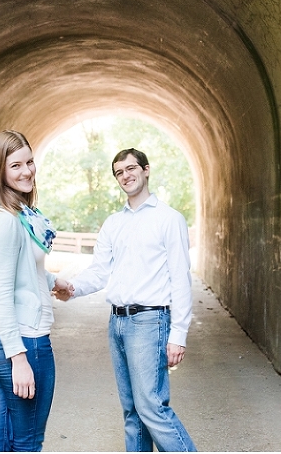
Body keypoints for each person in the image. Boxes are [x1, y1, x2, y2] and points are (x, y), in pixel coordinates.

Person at [54, 147, 197, 452]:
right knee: (132, 412)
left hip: (150, 321)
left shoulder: (169, 219)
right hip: (117, 323)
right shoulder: (113, 224)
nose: (125, 176)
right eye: (119, 172)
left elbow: (180, 279)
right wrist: (73, 288)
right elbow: (99, 271)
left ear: (146, 170)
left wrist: (178, 334)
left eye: (131, 168)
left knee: (151, 408)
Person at [0, 129, 64, 451]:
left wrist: (53, 282)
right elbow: (1, 292)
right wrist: (19, 358)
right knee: (27, 443)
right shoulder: (6, 221)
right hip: (22, 338)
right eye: (15, 165)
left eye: (29, 162)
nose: (27, 171)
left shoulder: (12, 213)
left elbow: (18, 267)